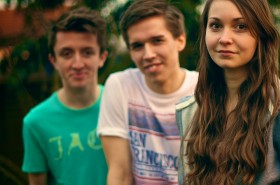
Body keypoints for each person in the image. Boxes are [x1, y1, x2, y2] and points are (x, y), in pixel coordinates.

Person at [176, 0, 280, 184]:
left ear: (261, 34)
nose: (224, 38)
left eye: (241, 26)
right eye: (215, 25)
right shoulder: (189, 111)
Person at [97, 0, 198, 184]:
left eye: (157, 40)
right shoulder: (120, 85)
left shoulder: (204, 89)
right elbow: (120, 173)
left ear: (180, 40)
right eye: (137, 46)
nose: (148, 54)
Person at [21, 7, 108, 185]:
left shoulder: (124, 104)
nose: (77, 64)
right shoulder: (35, 122)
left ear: (102, 57)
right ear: (53, 60)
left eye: (87, 52)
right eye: (67, 53)